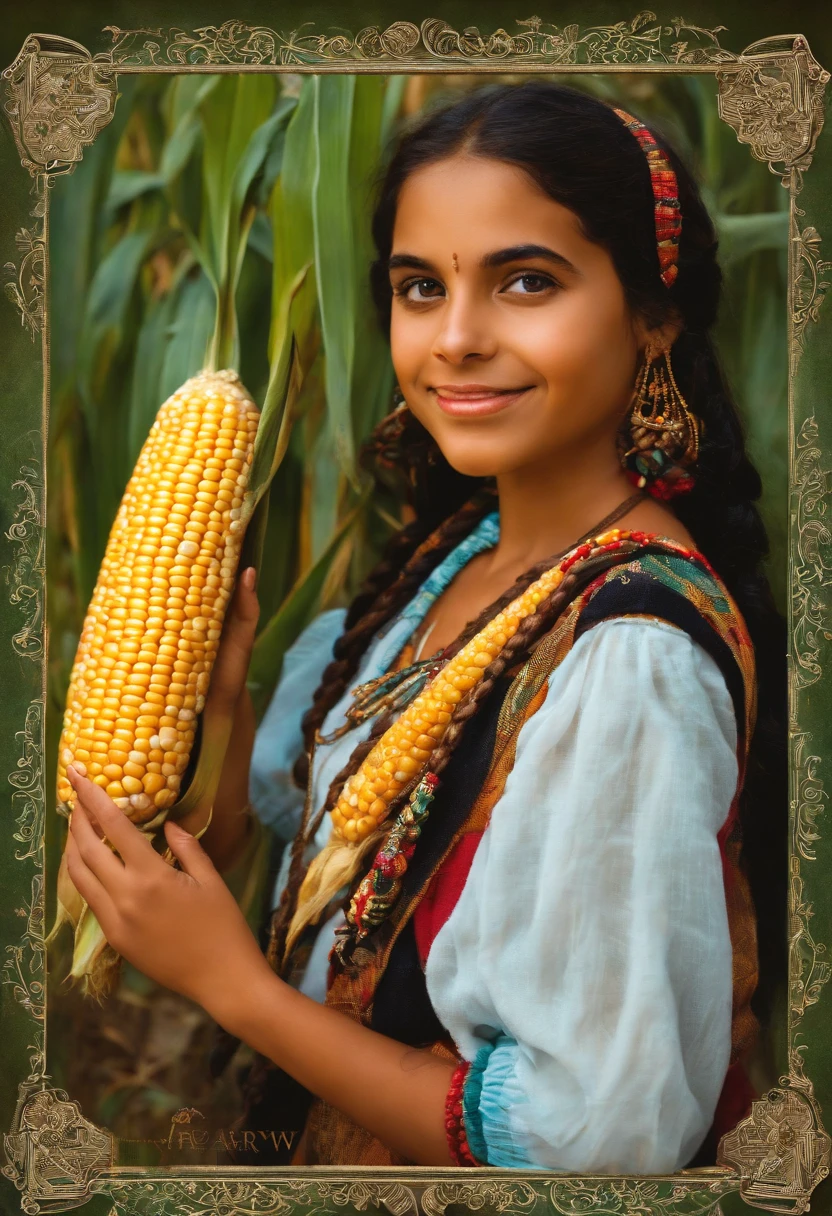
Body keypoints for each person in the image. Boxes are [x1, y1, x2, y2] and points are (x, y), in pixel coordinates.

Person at [64, 81, 786, 1173]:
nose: (454, 337)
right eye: (417, 286)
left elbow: (595, 1144)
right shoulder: (454, 563)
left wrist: (232, 988)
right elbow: (351, 907)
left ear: (653, 314)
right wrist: (219, 731)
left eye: (525, 281)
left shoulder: (631, 655)